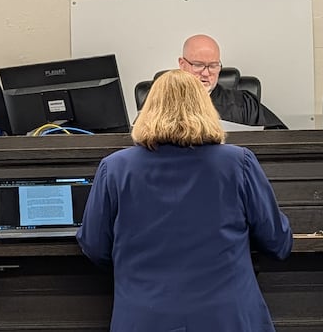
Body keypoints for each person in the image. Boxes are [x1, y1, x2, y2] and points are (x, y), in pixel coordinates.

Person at [77, 69, 293, 332]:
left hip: (145, 318)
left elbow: (95, 246)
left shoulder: (115, 168)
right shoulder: (239, 163)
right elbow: (277, 242)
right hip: (227, 318)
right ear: (206, 108)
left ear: (148, 110)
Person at [179, 34, 287, 129]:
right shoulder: (164, 102)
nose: (206, 73)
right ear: (182, 65)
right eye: (198, 65)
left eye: (213, 66)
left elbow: (278, 138)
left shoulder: (243, 104)